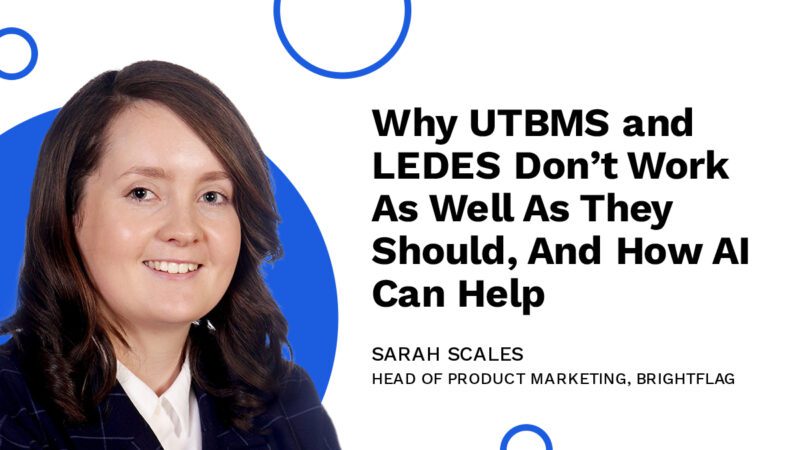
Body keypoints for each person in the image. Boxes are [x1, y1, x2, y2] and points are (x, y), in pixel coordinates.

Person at [0, 61, 340, 450]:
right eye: (142, 193)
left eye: (212, 196)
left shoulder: (284, 400)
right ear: (69, 211)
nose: (184, 230)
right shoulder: (10, 408)